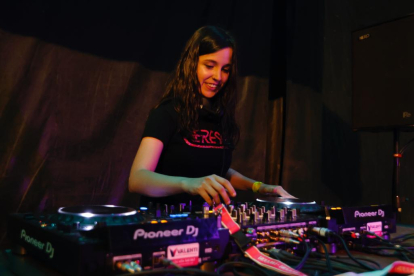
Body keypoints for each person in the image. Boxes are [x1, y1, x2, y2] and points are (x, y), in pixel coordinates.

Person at [129, 26, 294, 206]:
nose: (218, 76)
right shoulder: (167, 112)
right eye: (209, 66)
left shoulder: (218, 116)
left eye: (225, 69)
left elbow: (215, 169)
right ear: (192, 64)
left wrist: (258, 186)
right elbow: (137, 179)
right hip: (168, 226)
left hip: (206, 224)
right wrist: (188, 183)